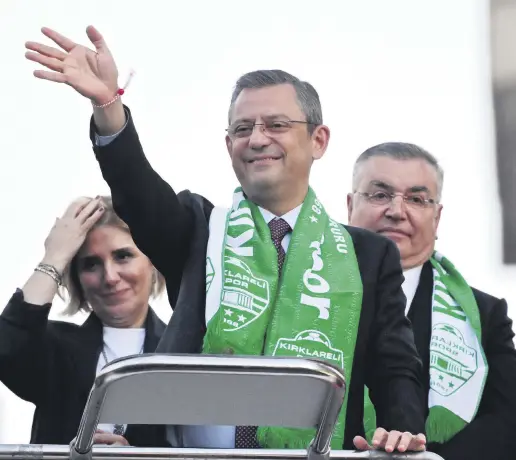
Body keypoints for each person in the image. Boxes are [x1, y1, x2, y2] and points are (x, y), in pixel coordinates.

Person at [24, 26, 427, 453]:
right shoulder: (201, 229)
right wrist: (108, 105)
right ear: (228, 143)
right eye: (242, 128)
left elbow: (395, 365)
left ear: (318, 140)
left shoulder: (368, 254)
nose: (257, 139)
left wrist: (401, 429)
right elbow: (138, 192)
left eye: (276, 125)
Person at [347, 141, 516, 460]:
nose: (396, 211)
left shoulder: (484, 315)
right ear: (349, 205)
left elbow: (507, 421)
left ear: (436, 218)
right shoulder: (308, 293)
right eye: (380, 194)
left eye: (416, 199)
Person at [0, 196, 166, 445]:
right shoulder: (55, 349)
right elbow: (7, 348)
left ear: (152, 262)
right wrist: (55, 257)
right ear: (77, 279)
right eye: (91, 264)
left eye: (123, 256)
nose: (110, 277)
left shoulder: (183, 351)